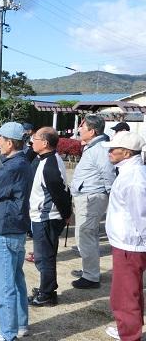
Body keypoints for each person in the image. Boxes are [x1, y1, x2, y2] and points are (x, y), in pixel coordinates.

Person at [0, 122, 33, 341]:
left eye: (0, 139)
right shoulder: (20, 162)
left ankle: (7, 334)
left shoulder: (14, 166)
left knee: (3, 288)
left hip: (6, 229)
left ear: (10, 142)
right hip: (16, 228)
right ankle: (20, 325)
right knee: (16, 280)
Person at [101, 132, 146, 341]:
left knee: (125, 294)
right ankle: (128, 329)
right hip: (127, 242)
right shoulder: (130, 172)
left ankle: (129, 334)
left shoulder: (133, 178)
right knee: (129, 291)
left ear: (126, 153)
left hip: (131, 244)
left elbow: (141, 216)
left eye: (113, 149)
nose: (109, 152)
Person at [27, 127, 72, 307]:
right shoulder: (48, 159)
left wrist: (66, 214)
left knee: (44, 257)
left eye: (35, 138)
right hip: (46, 217)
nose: (32, 141)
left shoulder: (49, 165)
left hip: (46, 218)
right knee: (46, 255)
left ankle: (46, 294)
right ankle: (47, 289)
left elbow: (59, 193)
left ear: (45, 143)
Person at [70, 114, 116, 289]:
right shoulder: (93, 146)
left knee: (86, 234)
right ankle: (89, 270)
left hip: (92, 197)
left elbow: (108, 174)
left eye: (83, 127)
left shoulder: (100, 148)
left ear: (93, 131)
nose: (79, 129)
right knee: (84, 235)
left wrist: (112, 198)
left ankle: (91, 276)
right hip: (87, 196)